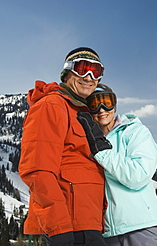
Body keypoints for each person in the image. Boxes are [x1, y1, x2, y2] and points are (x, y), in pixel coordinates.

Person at [19, 47, 111, 246]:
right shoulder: (51, 106)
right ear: (67, 72)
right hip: (70, 225)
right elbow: (37, 170)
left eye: (96, 71)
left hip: (90, 221)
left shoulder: (80, 111)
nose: (89, 77)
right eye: (82, 68)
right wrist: (58, 228)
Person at [77, 84, 157, 246]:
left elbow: (138, 175)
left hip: (142, 226)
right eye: (94, 104)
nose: (101, 109)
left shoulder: (135, 132)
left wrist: (102, 151)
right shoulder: (86, 141)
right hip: (107, 232)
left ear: (115, 104)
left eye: (106, 101)